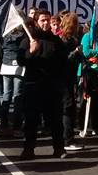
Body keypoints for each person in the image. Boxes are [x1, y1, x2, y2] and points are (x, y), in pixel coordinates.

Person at [19, 10, 66, 160]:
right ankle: (29, 149)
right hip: (33, 85)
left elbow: (63, 62)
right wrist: (30, 52)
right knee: (31, 119)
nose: (45, 23)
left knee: (55, 119)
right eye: (42, 20)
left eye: (47, 20)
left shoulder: (56, 41)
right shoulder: (29, 39)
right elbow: (20, 59)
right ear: (36, 22)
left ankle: (59, 148)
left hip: (52, 86)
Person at [60, 12, 84, 152]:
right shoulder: (63, 40)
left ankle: (67, 137)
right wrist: (75, 52)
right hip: (64, 78)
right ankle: (67, 139)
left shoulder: (74, 39)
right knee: (67, 108)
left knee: (70, 107)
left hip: (71, 77)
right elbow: (64, 60)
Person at [0, 24, 28, 135]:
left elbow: (1, 51)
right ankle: (16, 127)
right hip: (18, 68)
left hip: (6, 67)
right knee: (17, 97)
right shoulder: (23, 37)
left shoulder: (4, 36)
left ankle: (3, 125)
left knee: (6, 96)